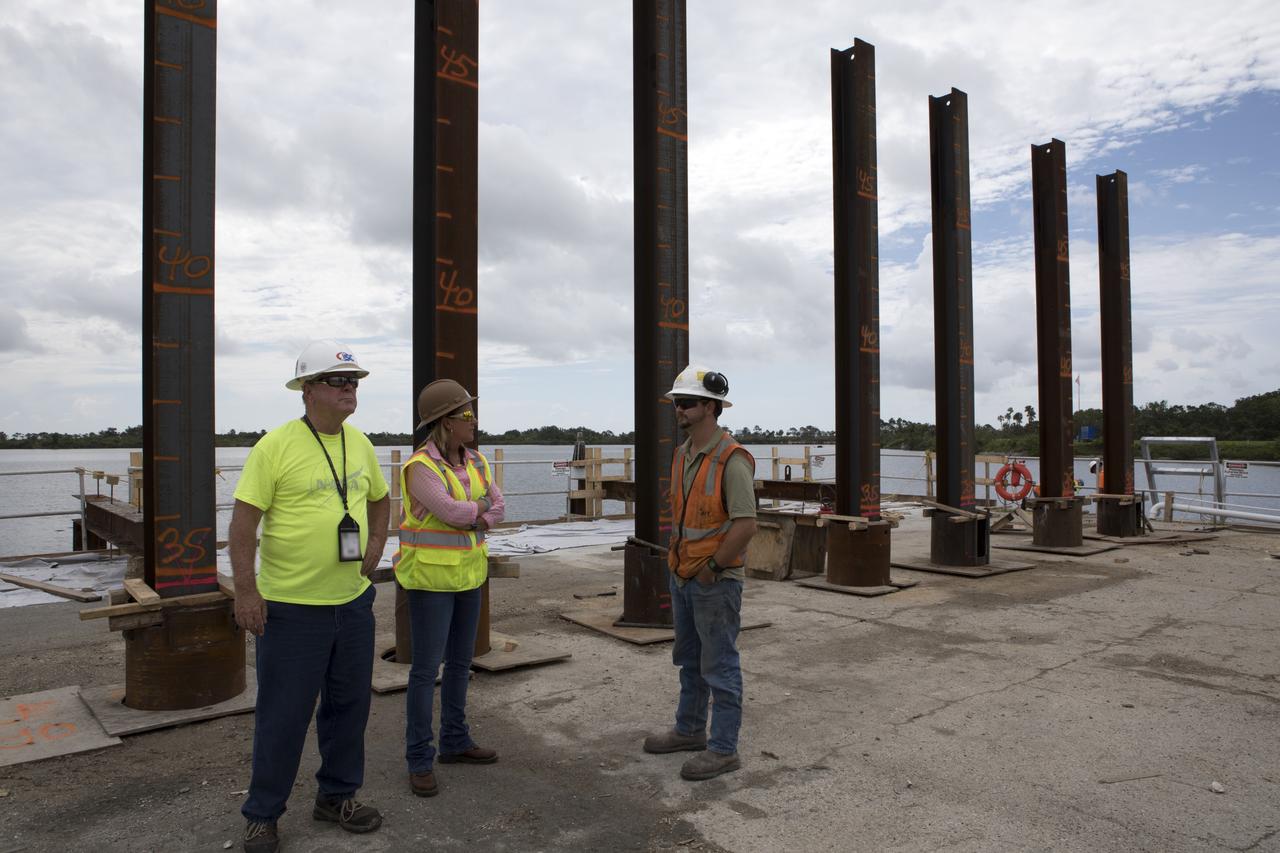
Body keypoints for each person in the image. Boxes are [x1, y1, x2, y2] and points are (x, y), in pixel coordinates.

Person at [230, 340, 390, 853]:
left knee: (348, 710)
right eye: (339, 381)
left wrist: (378, 545)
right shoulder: (273, 447)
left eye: (354, 382)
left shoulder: (359, 443)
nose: (350, 389)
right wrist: (246, 592)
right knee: (283, 715)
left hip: (353, 603)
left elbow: (383, 501)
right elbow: (242, 525)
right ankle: (262, 814)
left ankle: (337, 796)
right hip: (292, 610)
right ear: (307, 389)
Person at [643, 365, 758, 781]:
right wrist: (684, 570)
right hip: (684, 576)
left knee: (719, 665)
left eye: (686, 403)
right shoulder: (683, 455)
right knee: (690, 660)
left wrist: (712, 568)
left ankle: (724, 749)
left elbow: (745, 524)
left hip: (714, 581)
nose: (679, 409)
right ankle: (689, 730)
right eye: (677, 403)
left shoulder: (733, 460)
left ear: (710, 407)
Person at [393, 378, 504, 798]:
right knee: (425, 671)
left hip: (469, 576)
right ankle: (419, 758)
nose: (474, 421)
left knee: (460, 665)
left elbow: (500, 505)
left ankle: (455, 742)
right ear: (445, 422)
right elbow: (453, 512)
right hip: (430, 582)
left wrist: (477, 514)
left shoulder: (476, 460)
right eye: (467, 414)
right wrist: (479, 512)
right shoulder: (421, 467)